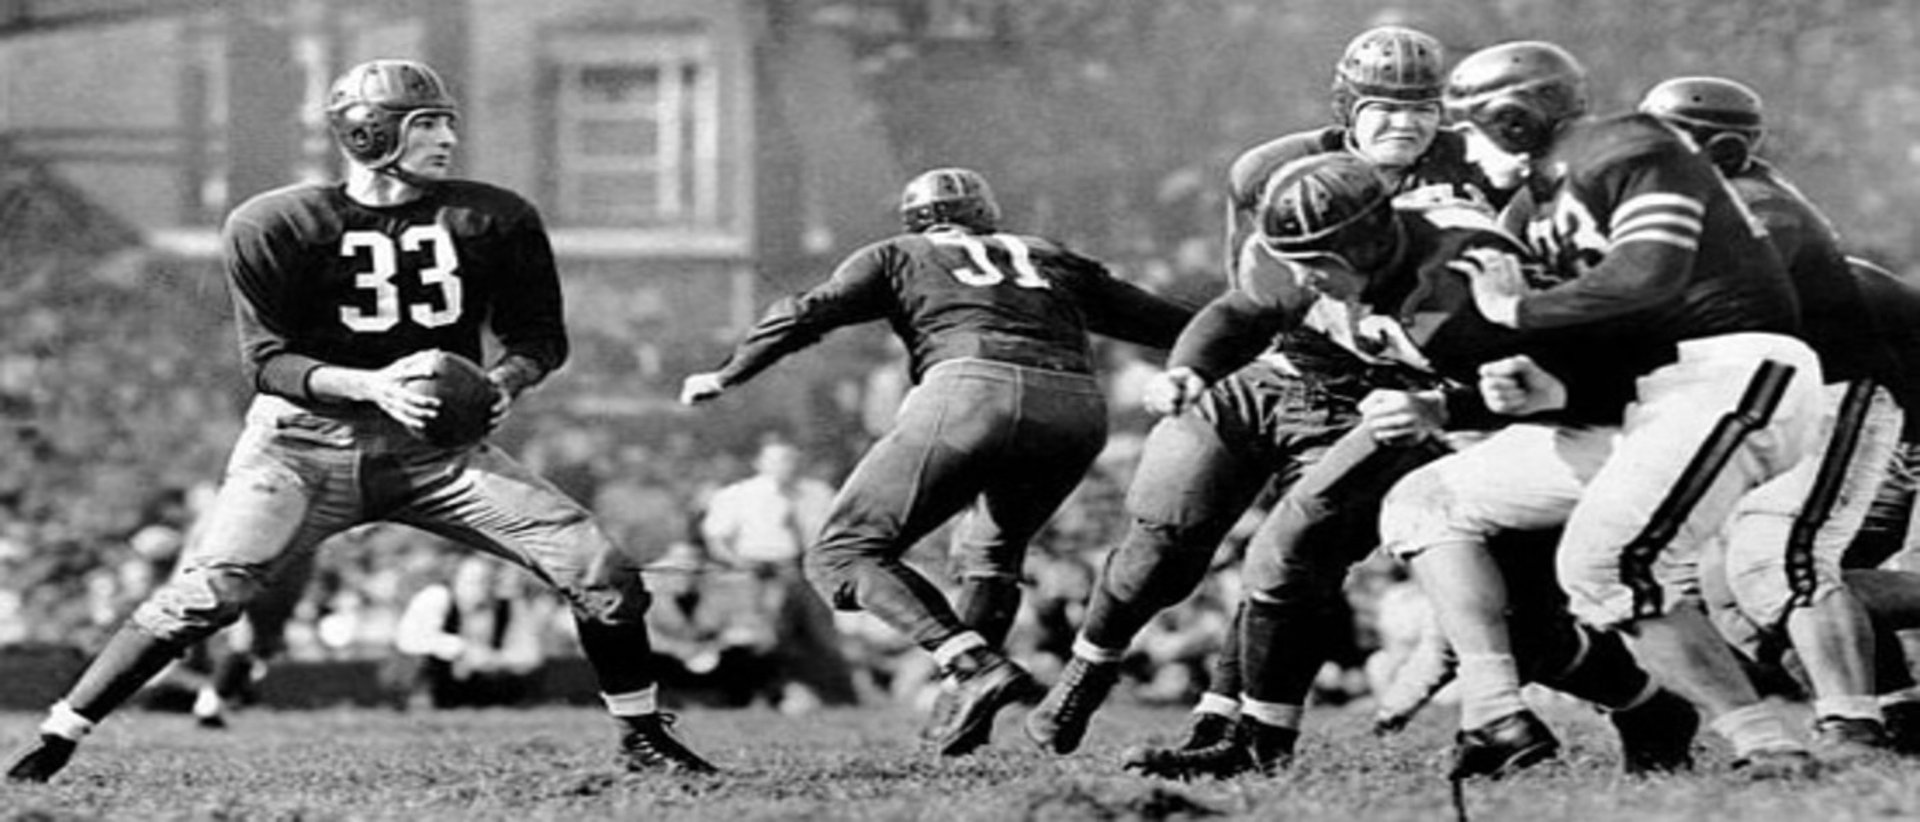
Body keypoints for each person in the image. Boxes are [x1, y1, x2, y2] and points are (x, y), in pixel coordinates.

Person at [3, 58, 715, 783]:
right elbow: (268, 362)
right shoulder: (276, 222)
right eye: (426, 124)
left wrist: (506, 381)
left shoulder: (492, 217)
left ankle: (640, 736)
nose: (446, 140)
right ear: (370, 132)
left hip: (437, 451)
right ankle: (58, 739)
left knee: (602, 569)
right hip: (302, 446)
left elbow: (540, 337)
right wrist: (373, 385)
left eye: (446, 123)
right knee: (208, 594)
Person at [1116, 154, 1690, 779]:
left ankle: (1656, 710)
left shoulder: (1453, 295)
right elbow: (1244, 309)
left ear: (1362, 246)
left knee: (1524, 626)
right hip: (1453, 418)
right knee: (1292, 545)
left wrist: (1440, 406)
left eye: (1315, 265)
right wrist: (1190, 368)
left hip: (1577, 427)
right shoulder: (1341, 255)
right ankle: (1261, 744)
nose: (1303, 281)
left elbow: (1569, 388)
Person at [1023, 24, 1506, 762]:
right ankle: (1090, 669)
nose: (1405, 122)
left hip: (1388, 396)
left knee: (1292, 560)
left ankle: (1233, 726)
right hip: (1280, 370)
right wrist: (1191, 368)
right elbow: (1250, 300)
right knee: (1163, 538)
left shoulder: (1483, 169)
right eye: (1384, 106)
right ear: (1348, 106)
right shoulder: (1278, 171)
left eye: (1422, 106)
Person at [1386, 40, 1826, 780]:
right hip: (1647, 402)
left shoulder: (1627, 142)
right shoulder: (1538, 203)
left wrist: (1517, 308)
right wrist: (1530, 391)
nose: (1465, 146)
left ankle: (1771, 748)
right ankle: (1496, 716)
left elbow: (1649, 276)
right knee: (1427, 500)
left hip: (1731, 370)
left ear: (1513, 118)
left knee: (1611, 562)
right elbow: (1604, 344)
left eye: (1472, 126)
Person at [680, 166, 1192, 756]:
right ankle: (959, 719)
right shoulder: (1045, 254)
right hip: (1075, 406)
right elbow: (1158, 317)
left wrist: (728, 372)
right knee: (991, 560)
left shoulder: (899, 253)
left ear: (915, 218)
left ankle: (972, 667)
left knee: (842, 553)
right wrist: (1266, 337)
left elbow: (806, 311)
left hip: (970, 390)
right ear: (988, 214)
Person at [1639, 76, 1908, 757]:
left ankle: (1853, 721)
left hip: (1848, 394)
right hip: (1798, 404)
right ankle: (1892, 704)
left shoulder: (1760, 210)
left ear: (1719, 149)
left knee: (1779, 557)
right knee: (1730, 587)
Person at [700, 438, 859, 710]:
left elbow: (838, 531)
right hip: (760, 573)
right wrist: (741, 564)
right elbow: (716, 539)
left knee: (821, 637)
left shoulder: (818, 493)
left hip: (808, 573)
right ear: (759, 463)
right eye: (777, 460)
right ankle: (763, 696)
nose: (786, 466)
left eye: (790, 459)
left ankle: (837, 697)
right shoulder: (739, 494)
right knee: (767, 637)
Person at [393, 553, 559, 709]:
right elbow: (409, 640)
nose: (480, 588)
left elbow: (531, 655)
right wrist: (462, 650)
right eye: (471, 581)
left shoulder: (508, 605)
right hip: (440, 680)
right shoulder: (436, 597)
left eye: (487, 581)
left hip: (488, 679)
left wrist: (493, 660)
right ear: (455, 580)